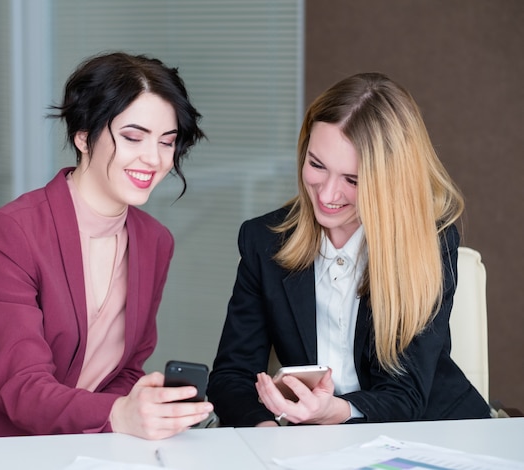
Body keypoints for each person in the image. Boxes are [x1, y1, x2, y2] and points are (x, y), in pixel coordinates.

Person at [0, 51, 212, 440]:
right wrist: (118, 414)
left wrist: (134, 409)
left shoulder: (155, 241)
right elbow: (21, 388)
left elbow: (127, 368)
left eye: (167, 142)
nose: (153, 158)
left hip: (67, 446)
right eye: (133, 137)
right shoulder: (11, 233)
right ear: (84, 135)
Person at [206, 72, 490, 427]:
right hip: (313, 443)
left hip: (429, 430)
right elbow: (231, 376)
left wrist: (334, 411)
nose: (326, 195)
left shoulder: (428, 243)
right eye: (316, 165)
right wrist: (266, 431)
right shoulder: (263, 240)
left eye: (352, 180)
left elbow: (406, 396)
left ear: (390, 179)